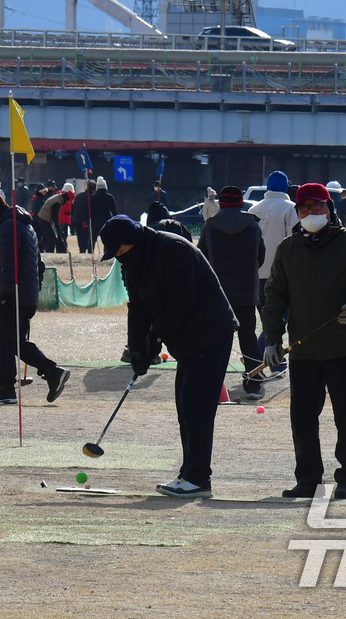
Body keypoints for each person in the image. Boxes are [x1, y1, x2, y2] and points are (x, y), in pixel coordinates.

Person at [261, 182, 346, 500]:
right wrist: (272, 340)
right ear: (297, 213)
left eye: (317, 207)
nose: (311, 213)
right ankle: (308, 479)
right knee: (302, 417)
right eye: (305, 208)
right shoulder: (288, 250)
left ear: (329, 209)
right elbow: (274, 296)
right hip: (304, 350)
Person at [100, 214, 237, 497]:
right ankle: (189, 473)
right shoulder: (132, 263)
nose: (118, 257)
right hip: (186, 339)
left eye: (119, 251)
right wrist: (137, 347)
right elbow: (137, 307)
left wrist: (155, 337)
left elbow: (182, 300)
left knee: (196, 407)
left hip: (210, 332)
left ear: (131, 241)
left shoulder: (173, 249)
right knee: (185, 407)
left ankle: (198, 478)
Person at [0, 186, 70, 405]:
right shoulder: (23, 224)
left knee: (3, 341)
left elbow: (9, 264)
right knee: (16, 342)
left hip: (14, 294)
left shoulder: (8, 227)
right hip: (25, 294)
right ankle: (53, 373)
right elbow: (40, 265)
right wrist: (31, 292)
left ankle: (6, 388)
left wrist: (7, 294)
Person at [198, 186, 266, 399]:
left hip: (218, 295)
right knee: (248, 339)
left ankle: (212, 384)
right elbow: (260, 257)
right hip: (246, 293)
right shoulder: (253, 226)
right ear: (239, 203)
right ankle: (253, 384)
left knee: (216, 341)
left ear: (222, 204)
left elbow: (201, 259)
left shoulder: (209, 227)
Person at [250, 171, 300, 305]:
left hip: (257, 272)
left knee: (265, 313)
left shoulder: (253, 209)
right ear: (285, 187)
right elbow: (294, 242)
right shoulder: (291, 209)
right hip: (282, 273)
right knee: (282, 314)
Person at [88, 177, 118, 251]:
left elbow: (89, 210)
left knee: (93, 238)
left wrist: (86, 220)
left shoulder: (93, 197)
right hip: (106, 220)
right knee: (107, 237)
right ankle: (106, 251)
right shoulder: (110, 197)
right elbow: (114, 211)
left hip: (95, 220)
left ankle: (90, 251)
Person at [37, 186, 64, 254]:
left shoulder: (47, 198)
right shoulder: (39, 200)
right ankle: (47, 252)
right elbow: (53, 214)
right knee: (50, 238)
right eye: (44, 191)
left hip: (44, 219)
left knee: (45, 237)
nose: (46, 193)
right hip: (42, 219)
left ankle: (42, 250)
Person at [73, 179, 96, 254]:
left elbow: (73, 207)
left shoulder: (79, 196)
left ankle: (81, 250)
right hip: (85, 220)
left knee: (79, 236)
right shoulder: (92, 197)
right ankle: (84, 250)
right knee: (85, 237)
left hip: (76, 219)